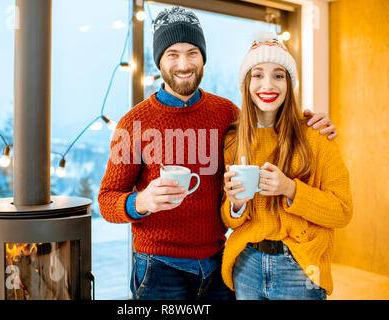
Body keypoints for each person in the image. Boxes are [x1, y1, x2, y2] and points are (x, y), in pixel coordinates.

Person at [98, 7, 337, 300]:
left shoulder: (225, 113)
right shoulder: (132, 123)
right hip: (159, 267)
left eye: (192, 53)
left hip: (219, 264)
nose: (184, 64)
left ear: (203, 58)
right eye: (172, 54)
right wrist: (142, 201)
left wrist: (308, 120)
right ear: (159, 60)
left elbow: (265, 122)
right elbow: (107, 199)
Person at [221, 32, 353, 300]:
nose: (267, 84)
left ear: (289, 83)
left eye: (278, 75)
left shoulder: (315, 135)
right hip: (246, 264)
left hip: (300, 267)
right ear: (246, 83)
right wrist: (236, 204)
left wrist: (291, 189)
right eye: (257, 74)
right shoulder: (233, 141)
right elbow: (228, 218)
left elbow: (342, 211)